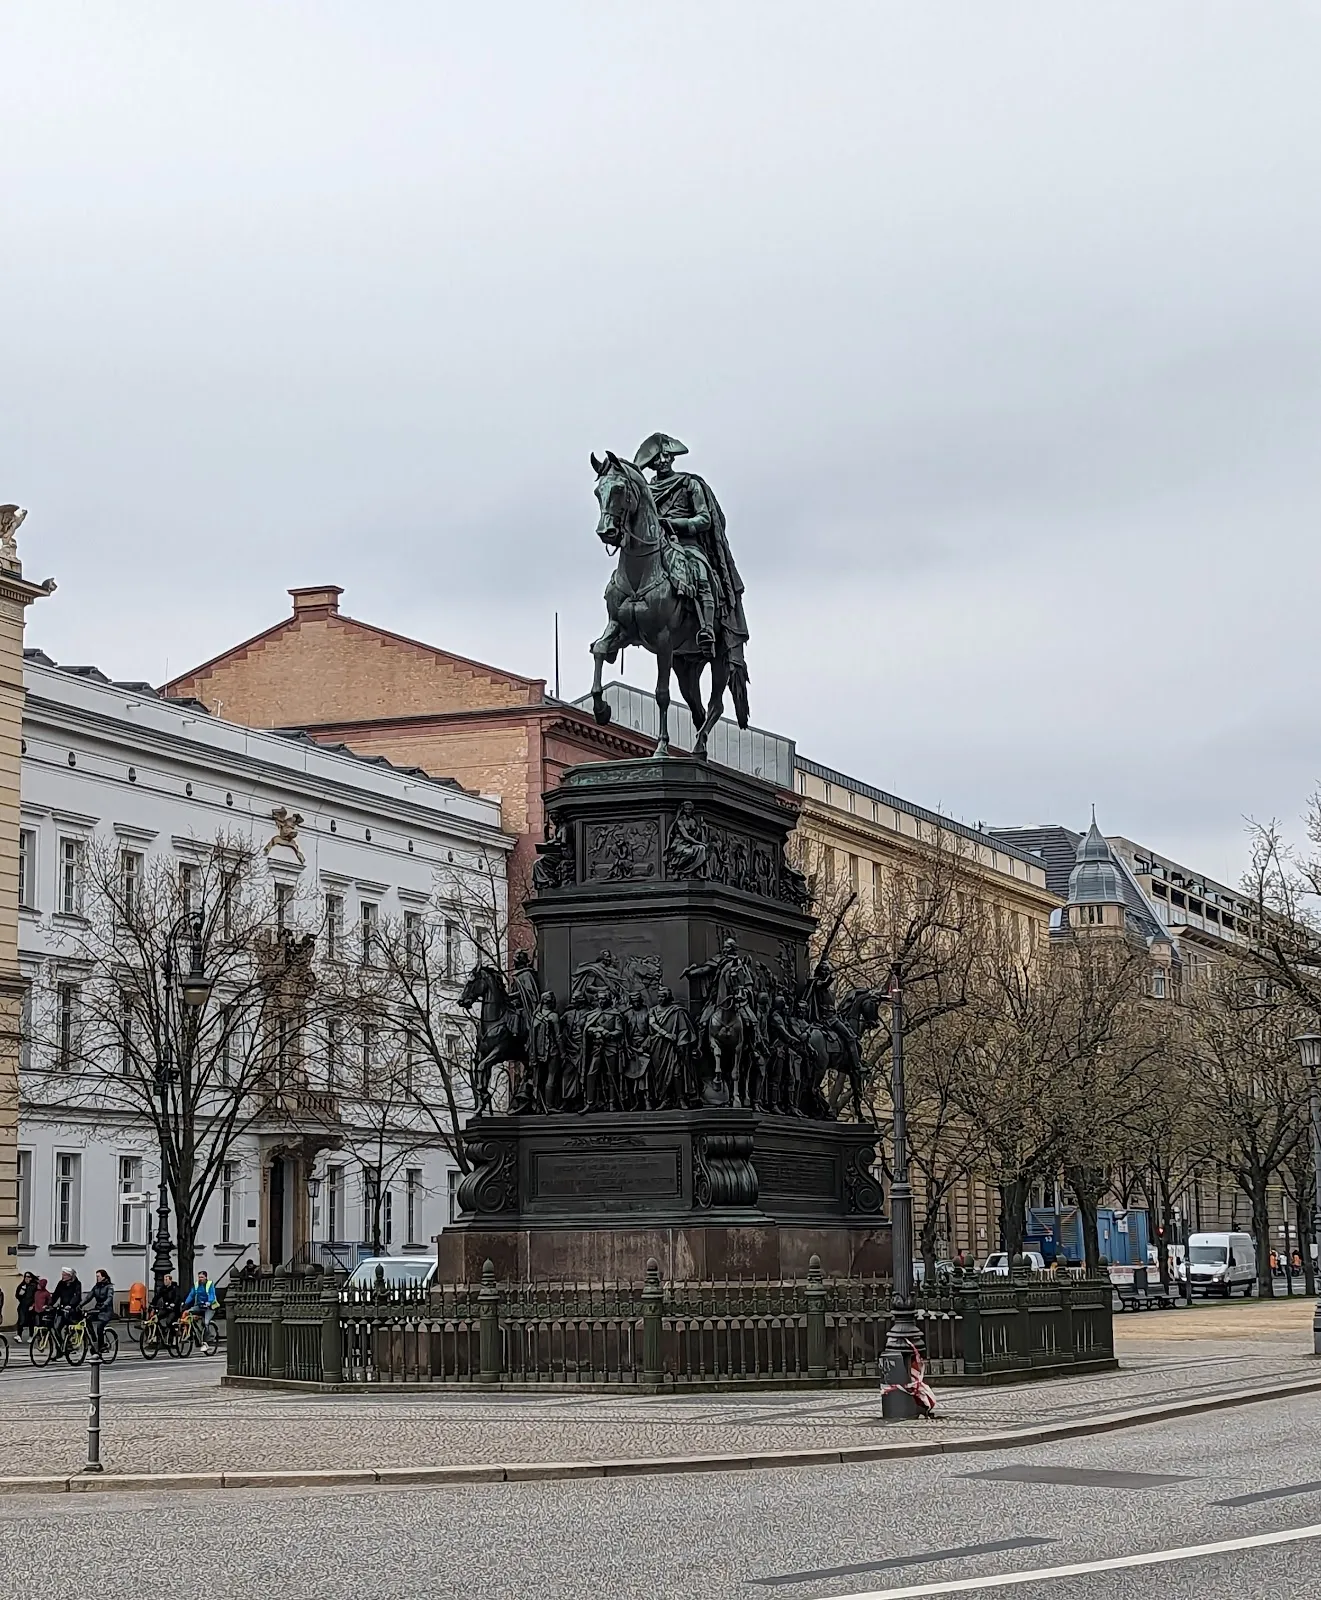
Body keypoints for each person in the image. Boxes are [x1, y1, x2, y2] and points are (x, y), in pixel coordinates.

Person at [82, 1269, 115, 1352]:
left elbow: (109, 1297)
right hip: (98, 1309)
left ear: (103, 1277)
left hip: (106, 1311)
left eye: (98, 1276)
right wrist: (80, 1305)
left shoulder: (109, 1286)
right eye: (96, 1276)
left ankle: (102, 1345)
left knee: (100, 1327)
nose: (97, 1278)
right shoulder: (96, 1287)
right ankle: (94, 1339)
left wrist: (104, 1304)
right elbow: (89, 1297)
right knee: (88, 1319)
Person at [182, 1269, 218, 1343]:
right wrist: (185, 1303)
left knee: (206, 1322)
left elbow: (212, 1294)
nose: (200, 1279)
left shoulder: (209, 1284)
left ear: (205, 1278)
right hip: (200, 1306)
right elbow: (191, 1295)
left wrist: (209, 1302)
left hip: (209, 1308)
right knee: (187, 1313)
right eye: (199, 1277)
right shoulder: (197, 1285)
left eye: (202, 1277)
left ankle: (208, 1337)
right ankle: (189, 1334)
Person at [49, 1267, 82, 1338]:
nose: (62, 1277)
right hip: (62, 1308)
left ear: (70, 1276)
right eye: (62, 1275)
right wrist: (49, 1304)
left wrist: (71, 1305)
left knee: (71, 1328)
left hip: (72, 1309)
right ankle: (61, 1346)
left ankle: (70, 1342)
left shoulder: (77, 1284)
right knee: (57, 1328)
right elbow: (56, 1294)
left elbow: (77, 1296)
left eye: (64, 1275)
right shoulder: (61, 1283)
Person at [15, 1271, 38, 1342]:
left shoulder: (34, 1286)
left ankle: (31, 1336)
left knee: (31, 1321)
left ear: (31, 1278)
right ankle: (19, 1335)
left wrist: (33, 1305)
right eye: (25, 1277)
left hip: (31, 1306)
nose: (26, 1278)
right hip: (23, 1305)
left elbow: (37, 1297)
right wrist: (22, 1291)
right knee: (21, 1320)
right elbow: (17, 1295)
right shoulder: (22, 1285)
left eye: (28, 1277)